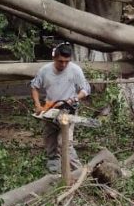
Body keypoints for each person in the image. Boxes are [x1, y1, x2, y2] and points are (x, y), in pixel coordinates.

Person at [30, 43, 91, 173]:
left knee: (65, 143)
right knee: (50, 144)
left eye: (66, 62)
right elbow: (34, 86)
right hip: (50, 110)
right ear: (54, 58)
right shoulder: (45, 70)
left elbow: (85, 89)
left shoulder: (75, 70)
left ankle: (79, 172)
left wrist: (75, 98)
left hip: (68, 110)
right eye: (60, 61)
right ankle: (54, 174)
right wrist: (37, 105)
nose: (63, 65)